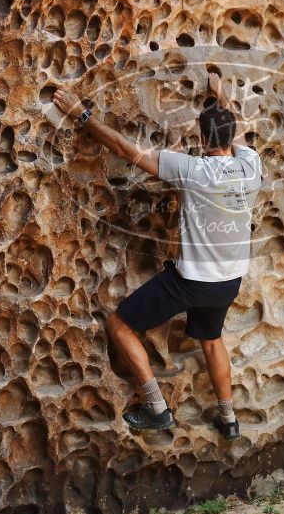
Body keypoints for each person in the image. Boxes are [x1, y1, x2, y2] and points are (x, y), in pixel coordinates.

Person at [53, 72, 262, 440]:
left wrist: (80, 115)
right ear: (233, 138)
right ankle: (229, 420)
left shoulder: (191, 170)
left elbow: (125, 149)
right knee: (211, 340)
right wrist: (221, 97)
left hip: (190, 282)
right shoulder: (251, 165)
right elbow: (232, 131)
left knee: (119, 325)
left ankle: (156, 408)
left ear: (200, 139)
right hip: (229, 282)